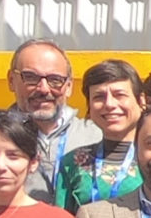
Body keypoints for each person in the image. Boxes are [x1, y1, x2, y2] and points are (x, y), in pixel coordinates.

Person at [0, 40, 100, 202]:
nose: (43, 89)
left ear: (69, 86)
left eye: (55, 79)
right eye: (31, 77)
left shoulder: (96, 136)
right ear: (11, 80)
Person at [53, 58, 145, 210]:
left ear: (141, 101)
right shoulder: (73, 163)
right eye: (99, 97)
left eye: (119, 95)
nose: (109, 104)